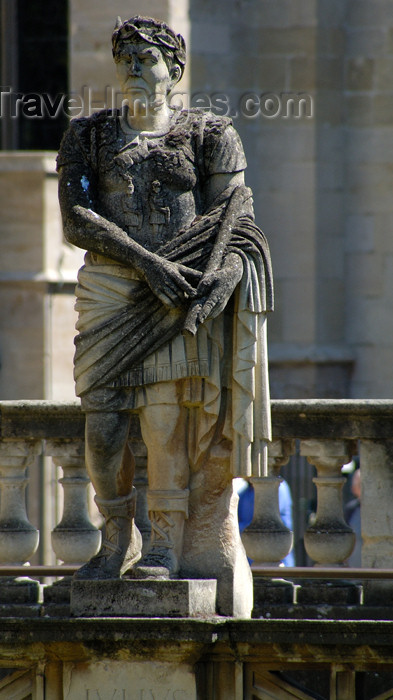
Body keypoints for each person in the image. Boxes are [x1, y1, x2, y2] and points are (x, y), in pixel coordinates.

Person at [57, 16, 273, 603]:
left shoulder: (210, 133)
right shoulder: (89, 135)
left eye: (146, 57)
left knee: (165, 427)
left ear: (173, 70)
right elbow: (77, 219)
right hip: (113, 293)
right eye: (124, 56)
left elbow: (236, 216)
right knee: (102, 434)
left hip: (179, 299)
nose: (132, 66)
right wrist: (146, 263)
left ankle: (163, 545)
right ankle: (115, 536)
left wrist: (216, 280)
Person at [236, 477, 295, 566]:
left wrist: (236, 528)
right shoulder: (243, 494)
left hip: (278, 560)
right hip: (251, 561)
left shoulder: (278, 487)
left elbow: (267, 521)